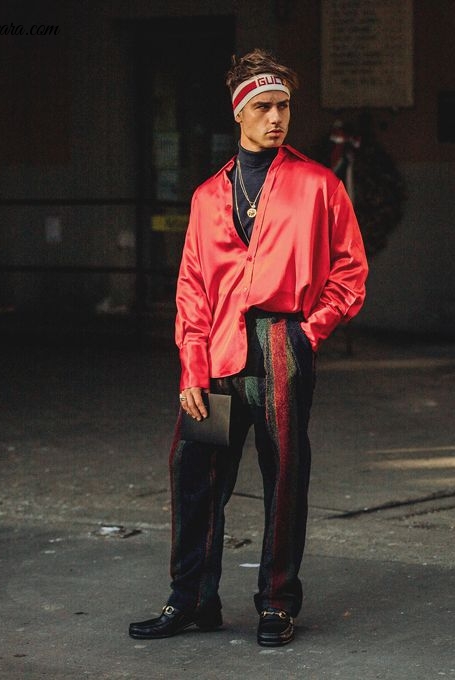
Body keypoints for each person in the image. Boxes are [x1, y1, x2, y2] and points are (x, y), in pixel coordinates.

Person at [128, 48, 368, 647]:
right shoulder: (209, 195)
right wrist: (191, 367)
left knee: (284, 474)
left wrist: (306, 334)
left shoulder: (318, 185)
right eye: (263, 106)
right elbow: (190, 287)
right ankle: (192, 601)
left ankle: (277, 603)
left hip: (281, 343)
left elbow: (350, 271)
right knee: (196, 473)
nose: (277, 117)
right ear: (239, 113)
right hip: (216, 353)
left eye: (284, 105)